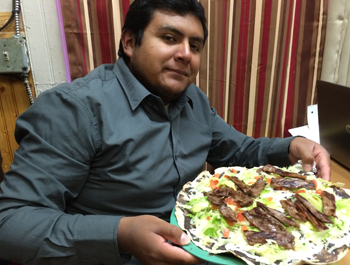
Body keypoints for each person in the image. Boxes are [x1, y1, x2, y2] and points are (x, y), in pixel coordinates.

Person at [0, 0, 331, 264]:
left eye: (195, 46)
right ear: (130, 42)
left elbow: (239, 150)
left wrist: (293, 145)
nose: (186, 54)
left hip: (201, 247)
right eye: (170, 38)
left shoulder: (193, 100)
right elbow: (11, 225)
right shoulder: (74, 110)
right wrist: (121, 234)